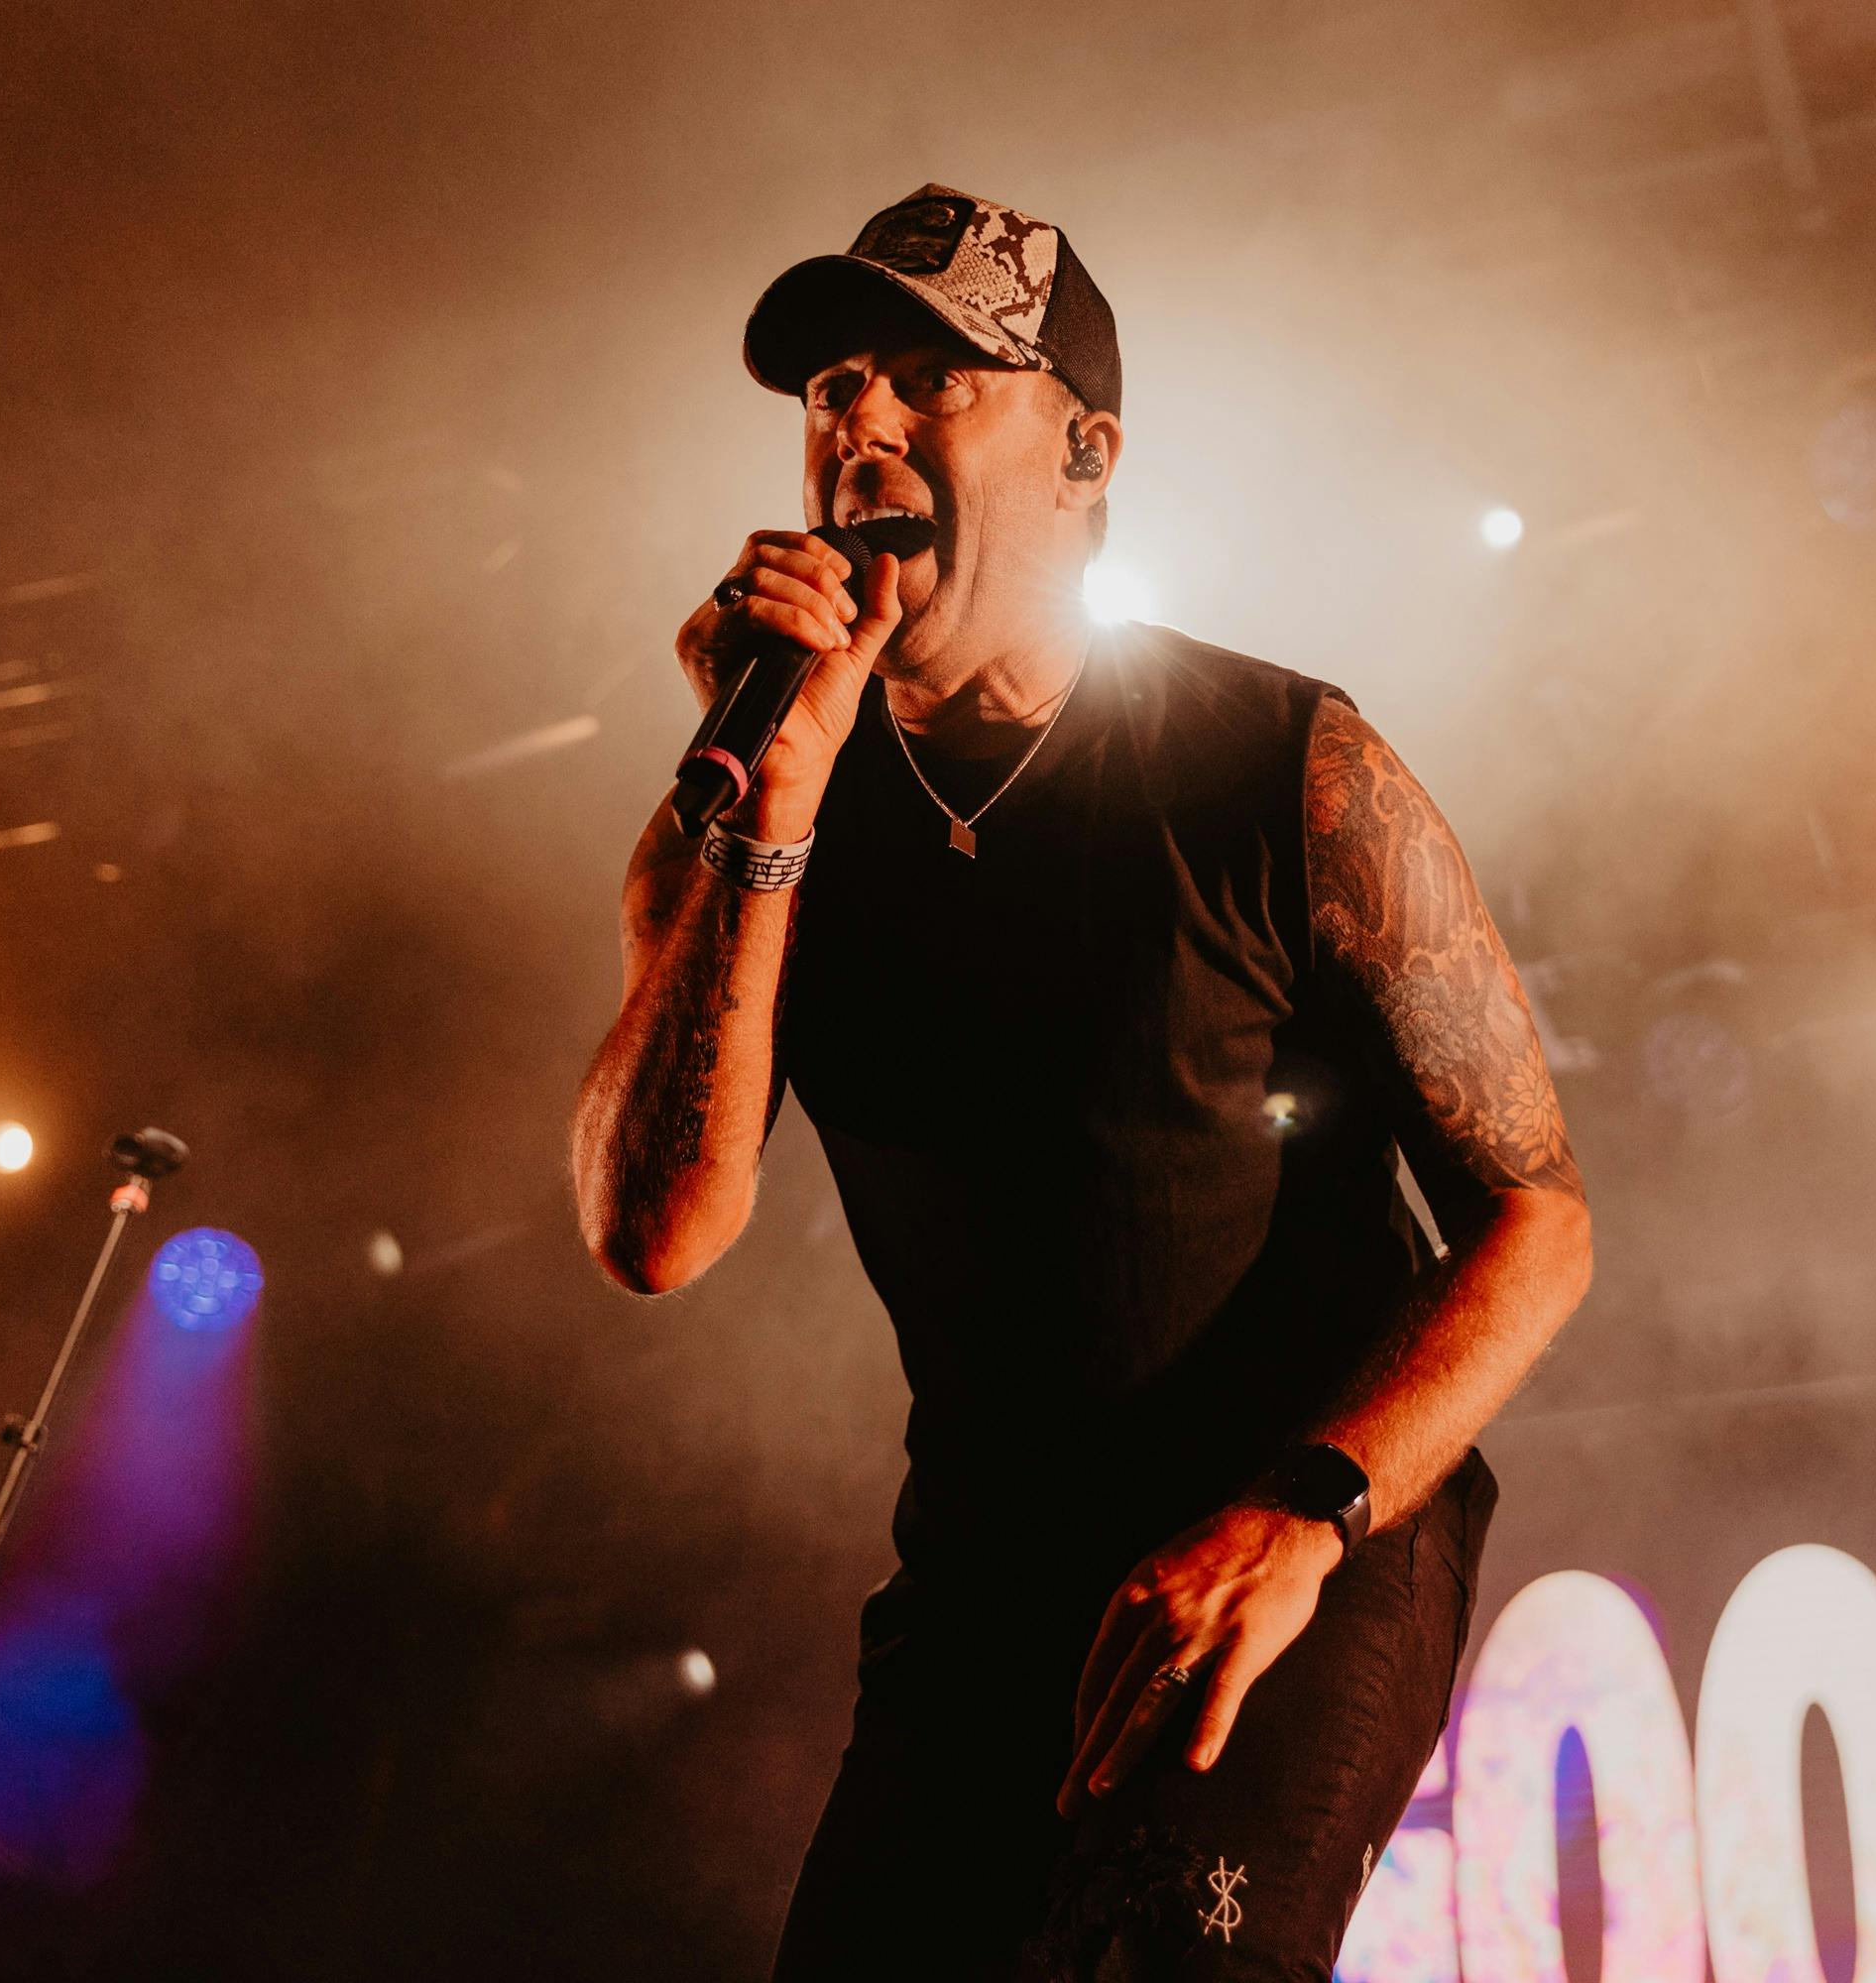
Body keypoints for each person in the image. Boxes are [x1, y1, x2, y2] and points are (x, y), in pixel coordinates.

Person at [570, 185, 1591, 1981]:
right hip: (986, 1574)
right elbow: (652, 1235)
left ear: (1085, 451)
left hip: (1303, 1506)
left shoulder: (1281, 762)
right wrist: (776, 809)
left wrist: (1308, 1513)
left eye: (934, 380)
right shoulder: (742, 824)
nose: (862, 425)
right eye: (832, 387)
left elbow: (1537, 1221)